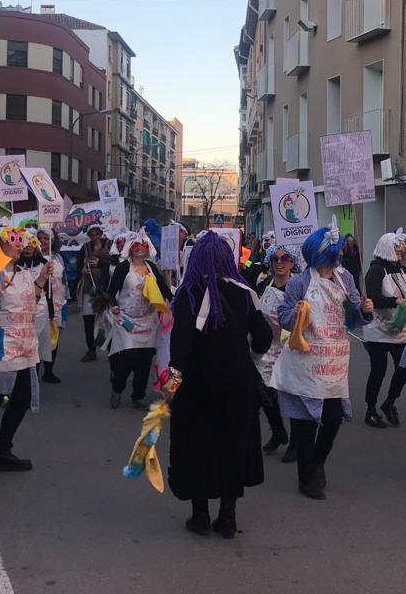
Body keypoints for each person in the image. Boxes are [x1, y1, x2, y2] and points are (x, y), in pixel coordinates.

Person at [165, 231, 273, 538]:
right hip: (237, 383)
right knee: (232, 444)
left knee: (197, 444)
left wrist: (174, 378)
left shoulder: (188, 293)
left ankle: (200, 515)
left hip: (197, 384)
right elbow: (264, 339)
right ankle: (228, 516)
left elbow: (181, 344)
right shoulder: (243, 292)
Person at [272, 221, 373, 500]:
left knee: (333, 417)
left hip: (334, 362)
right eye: (335, 252)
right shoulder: (299, 282)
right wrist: (297, 314)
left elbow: (355, 315)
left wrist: (364, 309)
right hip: (306, 362)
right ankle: (307, 479)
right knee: (305, 424)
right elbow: (283, 317)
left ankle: (317, 462)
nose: (339, 256)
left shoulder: (346, 279)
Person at [0, 226, 51, 490]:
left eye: (22, 240)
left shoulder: (25, 273)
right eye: (13, 240)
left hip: (24, 347)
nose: (20, 244)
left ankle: (2, 451)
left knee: (22, 400)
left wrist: (40, 282)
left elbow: (31, 304)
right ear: (0, 244)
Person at [104, 229, 173, 409]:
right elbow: (111, 292)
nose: (139, 249)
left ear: (147, 247)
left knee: (144, 360)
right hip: (127, 320)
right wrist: (113, 304)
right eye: (136, 246)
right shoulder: (122, 268)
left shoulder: (152, 268)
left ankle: (138, 396)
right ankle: (117, 387)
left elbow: (164, 291)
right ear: (130, 248)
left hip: (149, 320)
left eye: (143, 245)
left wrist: (176, 299)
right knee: (128, 358)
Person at [361, 229, 406, 428]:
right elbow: (373, 297)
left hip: (401, 331)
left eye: (401, 249)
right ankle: (370, 408)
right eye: (396, 248)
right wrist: (394, 301)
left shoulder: (404, 271)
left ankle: (389, 402)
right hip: (378, 331)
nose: (400, 252)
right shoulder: (375, 270)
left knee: (403, 368)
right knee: (378, 371)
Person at [253, 243, 300, 458]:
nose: (280, 263)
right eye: (276, 259)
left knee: (291, 395)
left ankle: (297, 442)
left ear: (292, 262)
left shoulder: (298, 287)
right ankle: (279, 432)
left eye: (285, 259)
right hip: (266, 347)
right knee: (263, 392)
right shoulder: (264, 285)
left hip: (290, 347)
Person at [35, 228, 66, 383]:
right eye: (39, 238)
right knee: (39, 338)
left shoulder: (58, 258)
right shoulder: (34, 259)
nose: (42, 241)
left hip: (57, 304)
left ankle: (49, 371)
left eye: (46, 238)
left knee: (53, 337)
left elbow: (62, 280)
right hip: (41, 304)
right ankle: (35, 372)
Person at [75, 225, 111, 362]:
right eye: (92, 234)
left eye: (97, 233)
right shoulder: (84, 248)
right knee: (88, 320)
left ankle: (111, 351)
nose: (95, 236)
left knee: (108, 321)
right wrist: (82, 270)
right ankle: (91, 350)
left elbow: (116, 261)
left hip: (106, 288)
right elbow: (78, 266)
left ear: (101, 233)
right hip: (89, 288)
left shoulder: (110, 244)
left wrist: (101, 262)